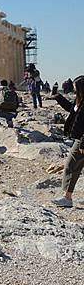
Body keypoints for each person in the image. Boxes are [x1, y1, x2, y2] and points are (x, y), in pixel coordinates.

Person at [49, 76, 84, 208]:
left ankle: (67, 198)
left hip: (82, 139)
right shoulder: (79, 100)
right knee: (74, 166)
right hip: (80, 138)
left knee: (71, 165)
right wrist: (58, 97)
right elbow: (71, 109)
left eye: (75, 87)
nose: (73, 89)